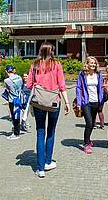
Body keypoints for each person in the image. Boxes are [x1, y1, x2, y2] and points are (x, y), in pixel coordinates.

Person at [26, 42, 70, 178]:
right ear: (51, 51)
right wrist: (67, 102)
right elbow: (62, 85)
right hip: (54, 102)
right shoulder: (56, 64)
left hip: (39, 102)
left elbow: (28, 85)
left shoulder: (34, 65)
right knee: (51, 131)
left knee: (40, 132)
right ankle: (48, 161)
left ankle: (40, 169)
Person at [76, 56, 105, 154]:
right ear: (87, 64)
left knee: (92, 123)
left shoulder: (99, 74)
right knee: (89, 123)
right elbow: (78, 88)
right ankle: (86, 144)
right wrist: (79, 103)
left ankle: (88, 139)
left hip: (96, 102)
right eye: (91, 63)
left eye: (94, 63)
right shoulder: (82, 74)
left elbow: (101, 88)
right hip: (86, 102)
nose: (93, 65)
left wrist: (102, 100)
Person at [4, 65, 24, 140]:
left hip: (12, 100)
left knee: (14, 116)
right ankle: (18, 130)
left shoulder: (7, 80)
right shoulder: (19, 77)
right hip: (19, 98)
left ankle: (16, 133)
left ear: (6, 71)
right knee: (18, 116)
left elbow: (7, 90)